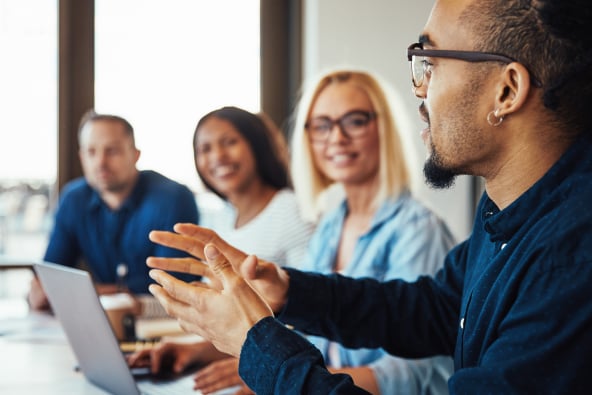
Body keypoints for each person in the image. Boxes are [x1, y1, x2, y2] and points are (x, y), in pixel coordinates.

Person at [144, 0, 592, 393]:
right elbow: (435, 309)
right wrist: (290, 292)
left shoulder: (571, 257)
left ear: (507, 90)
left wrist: (256, 344)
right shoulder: (505, 211)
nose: (419, 87)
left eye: (430, 61)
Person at [130, 106, 315, 394]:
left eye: (229, 142)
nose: (217, 156)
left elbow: (308, 321)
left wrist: (263, 366)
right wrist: (196, 351)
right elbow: (238, 325)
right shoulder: (222, 220)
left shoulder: (290, 211)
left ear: (257, 146)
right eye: (205, 148)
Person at [28, 110, 200, 310]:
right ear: (81, 157)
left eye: (112, 151)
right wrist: (40, 289)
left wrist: (91, 291)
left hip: (166, 322)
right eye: (91, 152)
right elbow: (52, 274)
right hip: (104, 319)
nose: (100, 162)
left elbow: (172, 284)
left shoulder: (173, 199)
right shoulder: (73, 199)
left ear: (135, 155)